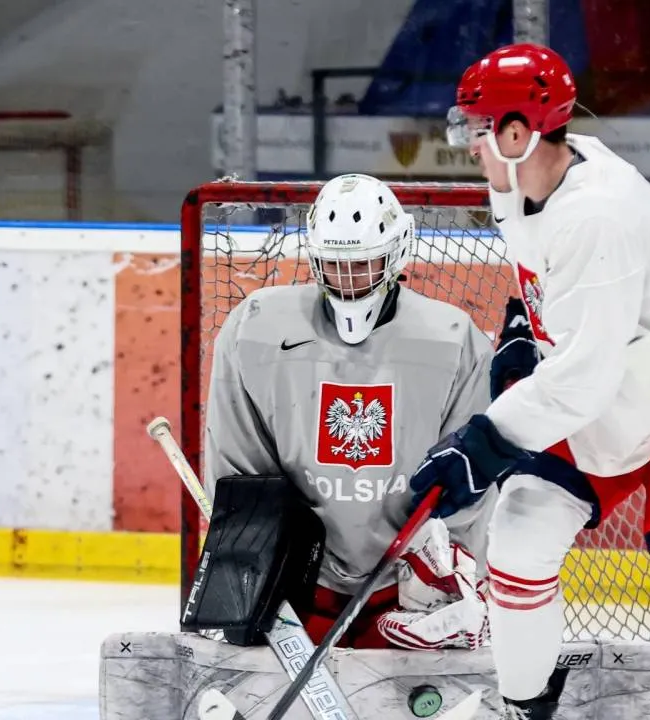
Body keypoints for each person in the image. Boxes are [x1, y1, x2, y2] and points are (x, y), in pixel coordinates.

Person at [408, 44, 650, 720]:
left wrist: (485, 442)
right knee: (520, 535)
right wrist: (527, 326)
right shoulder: (528, 178)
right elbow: (564, 300)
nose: (468, 143)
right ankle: (526, 708)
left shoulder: (598, 212)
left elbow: (582, 380)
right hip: (605, 385)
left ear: (518, 134)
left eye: (478, 127)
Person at [203, 172, 496, 652]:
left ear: (396, 254)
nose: (348, 280)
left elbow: (470, 479)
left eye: (362, 264)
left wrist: (452, 578)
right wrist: (247, 552)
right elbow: (238, 462)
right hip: (293, 583)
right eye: (333, 265)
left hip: (408, 590)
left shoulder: (453, 339)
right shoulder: (255, 329)